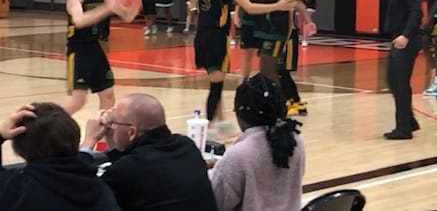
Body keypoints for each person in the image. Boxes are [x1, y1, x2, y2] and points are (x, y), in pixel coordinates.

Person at [192, 0, 297, 140]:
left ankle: (220, 123)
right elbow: (250, 7)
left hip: (202, 35)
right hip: (216, 36)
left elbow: (195, 2)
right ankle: (211, 130)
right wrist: (278, 6)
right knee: (216, 85)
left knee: (217, 80)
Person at [80, 94, 216, 211]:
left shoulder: (127, 170)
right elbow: (131, 160)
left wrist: (89, 141)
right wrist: (112, 138)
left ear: (131, 132)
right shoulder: (186, 146)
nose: (112, 127)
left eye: (114, 123)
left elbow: (79, 193)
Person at [209, 75, 304, 211]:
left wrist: (214, 171)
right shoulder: (297, 141)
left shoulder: (238, 156)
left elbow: (216, 203)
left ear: (240, 115)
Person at [0, 103, 119, 211]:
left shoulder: (15, 191)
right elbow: (74, 170)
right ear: (75, 138)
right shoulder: (102, 189)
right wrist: (88, 142)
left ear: (21, 151)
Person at [65, 0, 140, 115]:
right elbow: (79, 21)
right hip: (78, 50)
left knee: (108, 95)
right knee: (78, 101)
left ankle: (103, 139)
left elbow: (126, 17)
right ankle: (46, 125)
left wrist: (134, 9)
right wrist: (106, 9)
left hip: (94, 47)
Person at [361, 0, 423, 139]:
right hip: (399, 39)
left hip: (406, 41)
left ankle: (404, 129)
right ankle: (409, 120)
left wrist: (406, 35)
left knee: (399, 82)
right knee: (393, 80)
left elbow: (416, 12)